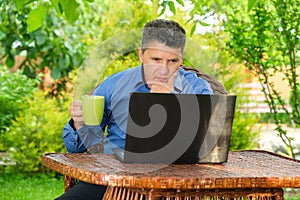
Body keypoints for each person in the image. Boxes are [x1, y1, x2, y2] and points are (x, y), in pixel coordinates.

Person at [56, 19, 213, 200]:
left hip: (177, 184)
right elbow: (80, 148)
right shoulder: (113, 85)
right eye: (156, 59)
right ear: (141, 55)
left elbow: (207, 144)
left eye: (172, 61)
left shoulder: (197, 88)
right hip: (113, 177)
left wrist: (169, 102)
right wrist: (79, 124)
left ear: (182, 57)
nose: (164, 69)